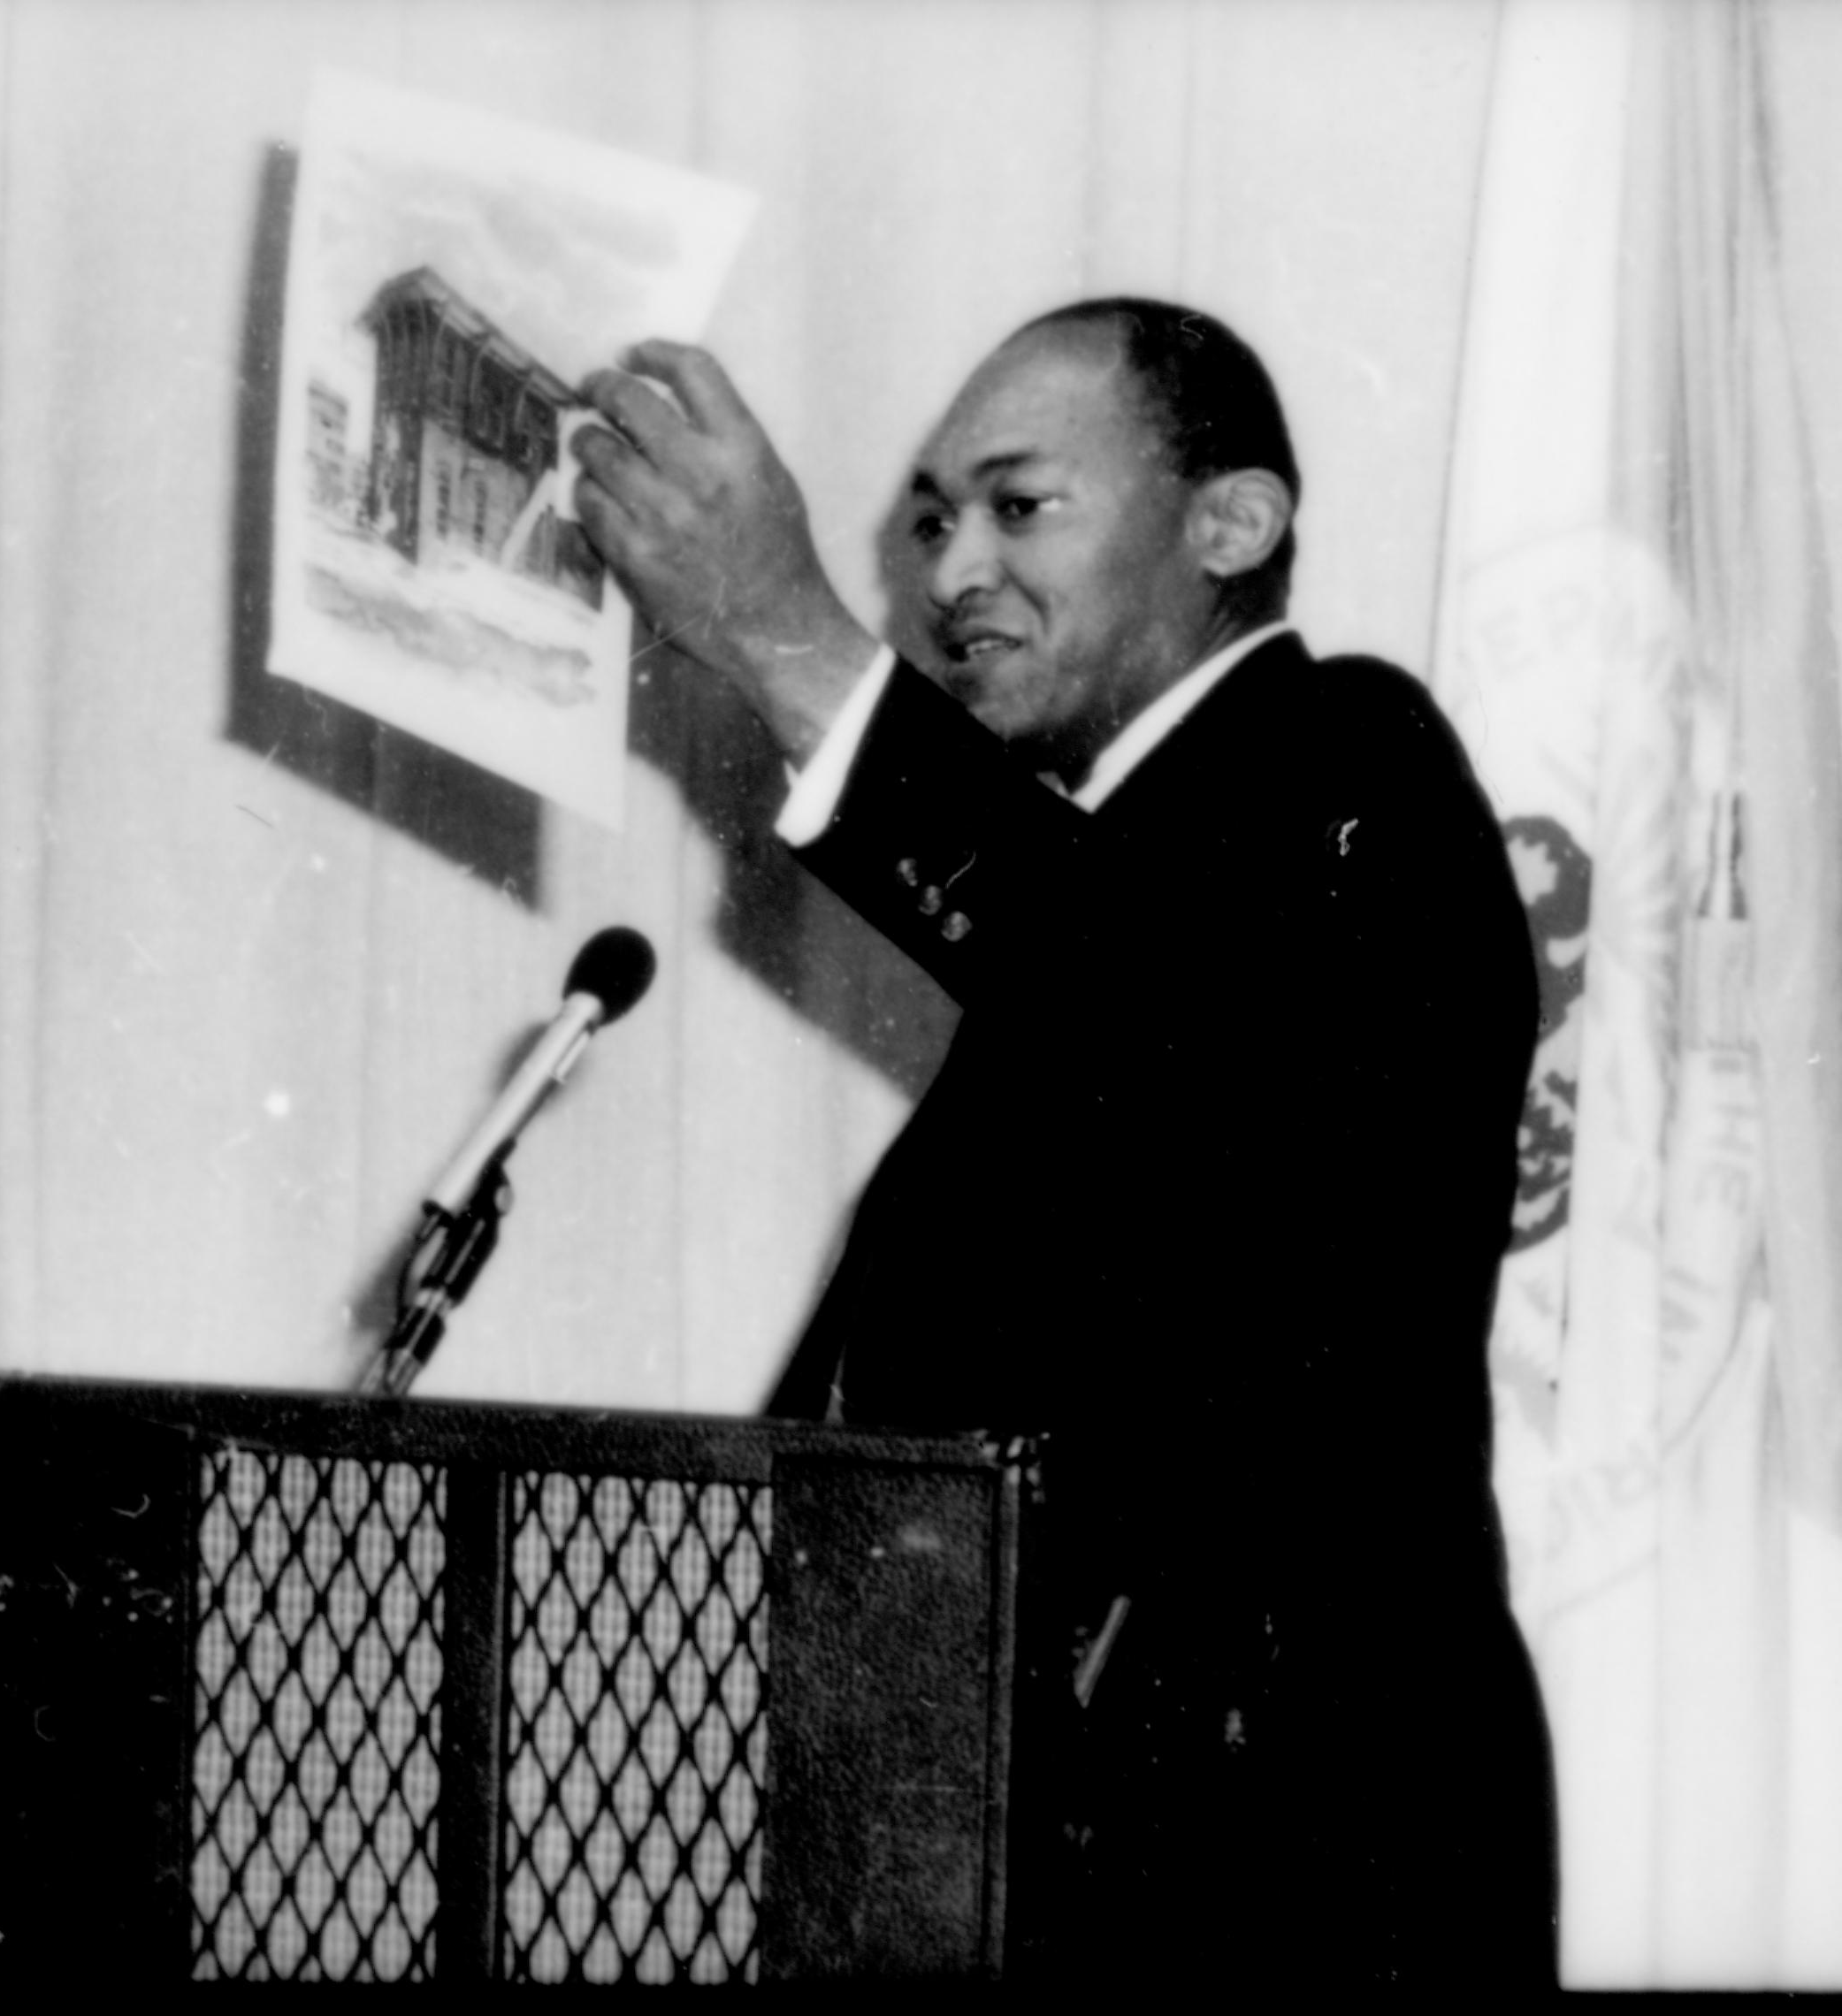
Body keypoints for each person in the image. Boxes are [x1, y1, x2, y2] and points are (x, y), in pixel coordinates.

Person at [570, 300, 1555, 1984]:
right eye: (935, 520)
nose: (953, 573)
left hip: (1283, 1873)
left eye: (1022, 508)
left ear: (1231, 525)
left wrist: (784, 634)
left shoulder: (1356, 760)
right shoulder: (1103, 900)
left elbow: (1158, 994)